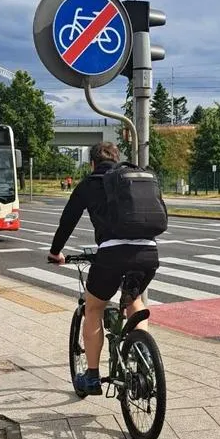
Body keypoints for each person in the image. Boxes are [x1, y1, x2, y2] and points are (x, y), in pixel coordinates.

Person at [48, 142, 160, 396]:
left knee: (93, 308)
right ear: (117, 159)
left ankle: (91, 377)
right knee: (134, 301)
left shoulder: (90, 183)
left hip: (111, 255)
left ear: (92, 163)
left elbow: (67, 221)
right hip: (148, 253)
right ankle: (144, 357)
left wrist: (56, 252)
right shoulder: (133, 181)